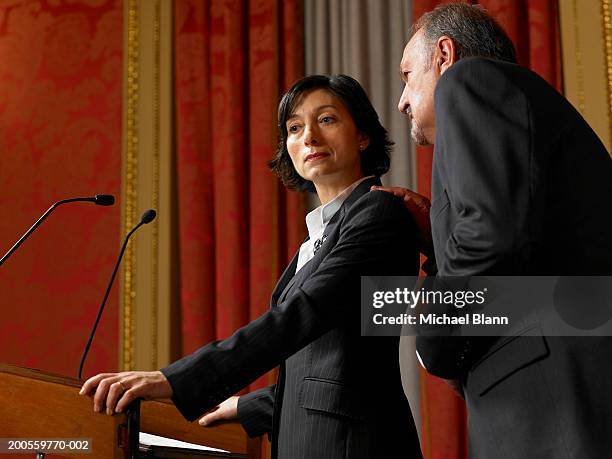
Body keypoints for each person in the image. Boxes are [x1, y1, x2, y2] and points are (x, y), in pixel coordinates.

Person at [80, 74, 423, 458]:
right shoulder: (319, 237)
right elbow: (329, 367)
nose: (308, 136)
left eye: (326, 119)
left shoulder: (379, 213)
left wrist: (174, 379)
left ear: (363, 136)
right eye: (294, 127)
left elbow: (305, 315)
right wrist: (243, 406)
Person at [374, 3, 612, 458]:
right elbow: (517, 236)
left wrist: (432, 341)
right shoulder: (516, 103)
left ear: (444, 55)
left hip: (547, 399)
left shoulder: (468, 80)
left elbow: (489, 239)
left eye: (407, 75)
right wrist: (435, 241)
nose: (401, 100)